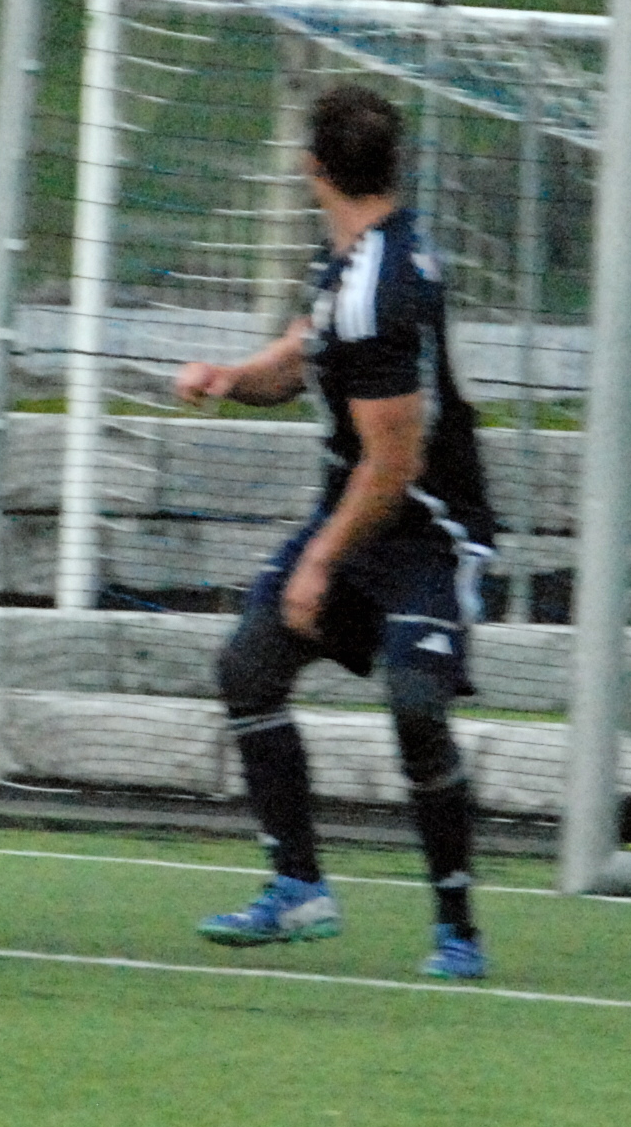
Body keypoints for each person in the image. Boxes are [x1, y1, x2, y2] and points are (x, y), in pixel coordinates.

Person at [175, 85, 501, 979]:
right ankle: (298, 887)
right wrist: (232, 376)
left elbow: (393, 463)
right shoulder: (357, 254)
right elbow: (304, 351)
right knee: (249, 668)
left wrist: (319, 561)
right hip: (358, 512)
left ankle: (458, 929)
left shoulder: (381, 289)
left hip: (425, 531)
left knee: (416, 707)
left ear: (311, 167)